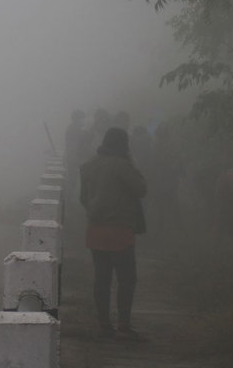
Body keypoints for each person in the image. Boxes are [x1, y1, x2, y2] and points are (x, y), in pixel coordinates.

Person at [80, 126, 148, 340]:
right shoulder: (123, 165)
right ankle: (124, 325)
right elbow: (141, 190)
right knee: (127, 278)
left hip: (95, 229)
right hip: (119, 230)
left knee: (102, 278)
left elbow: (83, 198)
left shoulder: (88, 166)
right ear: (124, 144)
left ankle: (104, 324)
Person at [64, 110, 86, 199]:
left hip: (74, 156)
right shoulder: (73, 129)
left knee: (73, 180)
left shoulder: (74, 128)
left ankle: (70, 199)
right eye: (80, 118)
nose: (82, 121)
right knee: (72, 180)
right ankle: (69, 200)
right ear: (76, 119)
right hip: (73, 157)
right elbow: (73, 144)